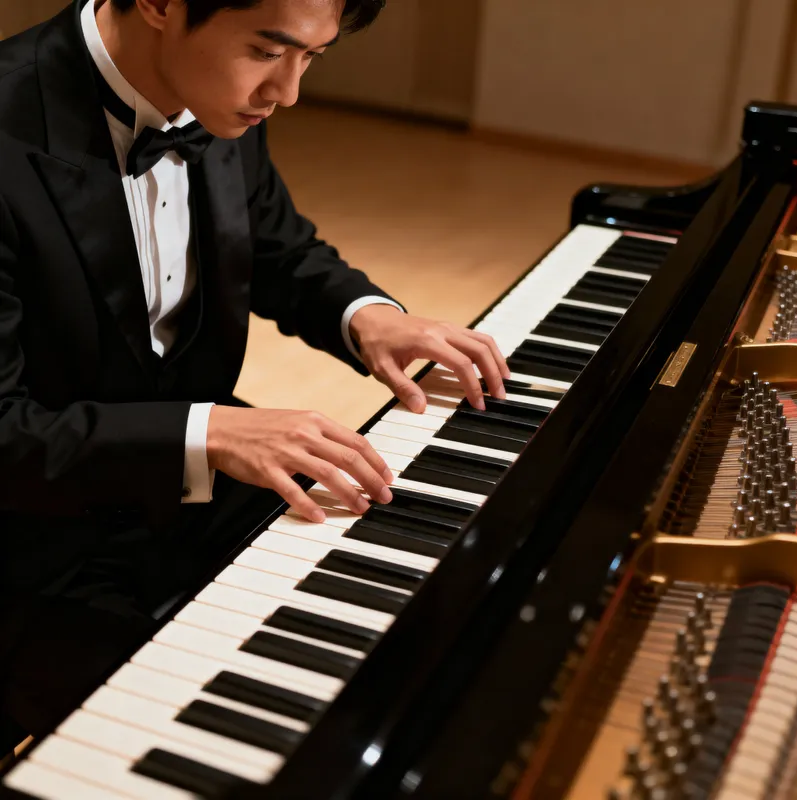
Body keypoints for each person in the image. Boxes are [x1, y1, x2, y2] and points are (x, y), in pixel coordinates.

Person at [0, 0, 509, 756]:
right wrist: (209, 430)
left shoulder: (212, 89)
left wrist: (367, 316)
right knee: (234, 740)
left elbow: (268, 240)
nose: (288, 92)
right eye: (270, 50)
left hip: (172, 480)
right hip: (28, 538)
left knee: (404, 587)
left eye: (313, 58)